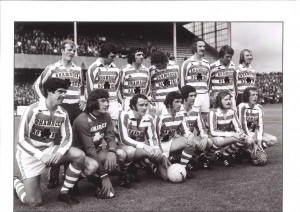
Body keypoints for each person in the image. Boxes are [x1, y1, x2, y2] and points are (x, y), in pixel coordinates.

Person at [14, 78, 85, 206]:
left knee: (79, 155)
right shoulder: (32, 110)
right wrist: (42, 156)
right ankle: (16, 182)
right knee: (34, 202)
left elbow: (67, 137)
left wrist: (59, 152)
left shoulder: (63, 113)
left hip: (49, 151)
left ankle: (64, 192)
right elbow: (21, 140)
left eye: (65, 92)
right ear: (49, 92)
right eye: (60, 92)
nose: (64, 95)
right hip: (29, 156)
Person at [32, 39, 86, 189]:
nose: (71, 52)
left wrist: (82, 99)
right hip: (59, 108)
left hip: (75, 108)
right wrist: (45, 101)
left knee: (72, 142)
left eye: (73, 50)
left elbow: (81, 87)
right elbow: (37, 85)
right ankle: (53, 176)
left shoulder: (77, 69)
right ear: (61, 50)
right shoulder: (52, 68)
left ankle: (69, 175)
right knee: (56, 142)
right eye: (68, 49)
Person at [72, 88, 132, 198]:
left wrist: (112, 151)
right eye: (103, 101)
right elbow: (89, 149)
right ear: (93, 102)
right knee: (91, 166)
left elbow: (110, 138)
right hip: (79, 157)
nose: (107, 104)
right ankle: (72, 180)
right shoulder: (82, 120)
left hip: (94, 152)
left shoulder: (106, 116)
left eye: (107, 101)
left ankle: (96, 176)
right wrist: (105, 177)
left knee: (121, 154)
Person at [118, 94, 166, 183]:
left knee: (156, 154)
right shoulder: (124, 115)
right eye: (141, 105)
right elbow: (124, 139)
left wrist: (158, 152)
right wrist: (145, 147)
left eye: (146, 105)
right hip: (123, 147)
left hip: (139, 148)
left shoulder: (148, 118)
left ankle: (135, 167)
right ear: (133, 106)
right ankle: (123, 173)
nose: (144, 108)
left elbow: (153, 139)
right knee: (131, 151)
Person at [155, 91, 196, 179]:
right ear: (169, 103)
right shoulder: (160, 116)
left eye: (180, 102)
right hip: (158, 145)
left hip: (169, 143)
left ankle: (182, 168)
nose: (180, 104)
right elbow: (155, 138)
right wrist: (162, 155)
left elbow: (186, 132)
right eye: (176, 102)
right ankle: (152, 166)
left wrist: (191, 135)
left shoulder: (180, 115)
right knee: (166, 177)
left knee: (191, 142)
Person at [207, 91, 254, 167]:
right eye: (226, 100)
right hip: (210, 136)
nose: (229, 101)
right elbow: (213, 131)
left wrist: (242, 135)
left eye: (229, 99)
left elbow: (238, 128)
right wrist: (233, 134)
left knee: (247, 140)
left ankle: (225, 155)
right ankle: (206, 156)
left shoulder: (232, 112)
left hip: (224, 135)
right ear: (219, 101)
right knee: (219, 141)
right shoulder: (213, 112)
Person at [86, 42, 121, 127]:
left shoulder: (116, 69)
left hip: (113, 102)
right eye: (111, 56)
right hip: (99, 102)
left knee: (112, 129)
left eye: (115, 56)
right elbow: (89, 89)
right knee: (97, 128)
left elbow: (116, 86)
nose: (114, 59)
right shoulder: (93, 68)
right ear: (105, 54)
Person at [180, 85, 214, 170]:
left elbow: (201, 128)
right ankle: (183, 160)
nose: (193, 98)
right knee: (191, 142)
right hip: (180, 139)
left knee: (209, 142)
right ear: (184, 97)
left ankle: (198, 158)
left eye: (195, 96)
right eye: (191, 96)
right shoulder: (178, 110)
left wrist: (204, 138)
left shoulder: (195, 110)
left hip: (191, 138)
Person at [237, 87, 277, 157]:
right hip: (242, 133)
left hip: (253, 132)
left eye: (256, 95)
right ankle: (242, 150)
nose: (255, 97)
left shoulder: (259, 107)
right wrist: (253, 143)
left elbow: (260, 126)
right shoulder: (242, 106)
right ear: (247, 96)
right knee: (249, 141)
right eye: (252, 95)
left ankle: (254, 150)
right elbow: (243, 126)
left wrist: (259, 142)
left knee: (273, 140)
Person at [180, 38, 211, 124]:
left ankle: (201, 134)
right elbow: (183, 81)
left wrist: (206, 92)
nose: (202, 48)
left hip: (204, 94)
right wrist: (185, 96)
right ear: (195, 48)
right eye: (200, 46)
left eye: (204, 46)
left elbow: (207, 81)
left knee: (205, 114)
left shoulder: (207, 63)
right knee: (191, 116)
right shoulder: (187, 63)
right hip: (193, 95)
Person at [118, 47, 150, 111]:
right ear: (132, 56)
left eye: (142, 55)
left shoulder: (146, 70)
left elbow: (148, 88)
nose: (141, 57)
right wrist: (122, 102)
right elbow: (119, 88)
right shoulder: (124, 70)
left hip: (142, 104)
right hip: (128, 104)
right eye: (138, 55)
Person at [209, 45, 237, 111]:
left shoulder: (233, 66)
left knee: (233, 115)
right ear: (221, 56)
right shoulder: (213, 67)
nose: (229, 59)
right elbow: (207, 83)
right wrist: (209, 96)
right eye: (227, 57)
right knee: (218, 116)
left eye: (231, 57)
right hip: (218, 97)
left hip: (230, 97)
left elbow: (234, 81)